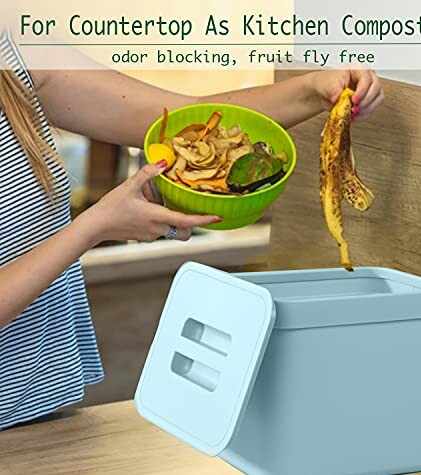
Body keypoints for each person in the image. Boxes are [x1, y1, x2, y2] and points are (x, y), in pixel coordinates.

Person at [0, 30, 384, 429]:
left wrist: (314, 89)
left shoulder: (14, 57)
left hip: (44, 407)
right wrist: (92, 227)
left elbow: (186, 119)